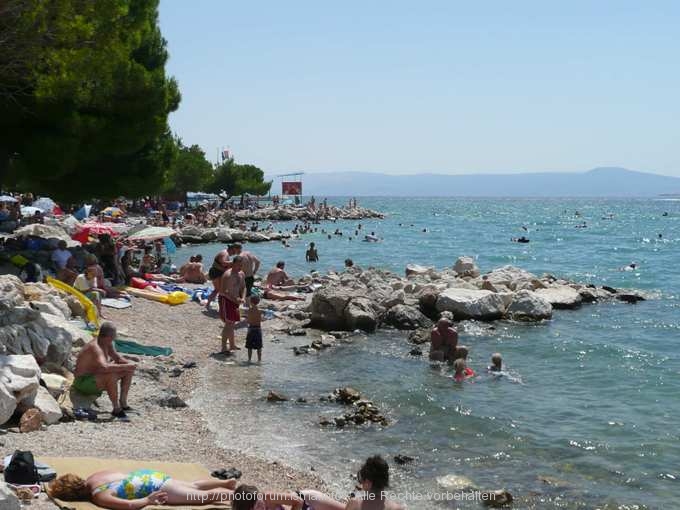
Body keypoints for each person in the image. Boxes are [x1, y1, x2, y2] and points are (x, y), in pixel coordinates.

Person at [47, 470, 239, 509]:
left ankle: (245, 497)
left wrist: (149, 500)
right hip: (151, 476)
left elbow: (129, 505)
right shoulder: (94, 477)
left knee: (205, 498)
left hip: (157, 487)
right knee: (193, 486)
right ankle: (225, 483)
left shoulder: (100, 496)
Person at [73, 322, 136, 419]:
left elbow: (117, 358)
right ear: (107, 337)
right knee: (111, 375)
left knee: (128, 370)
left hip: (96, 376)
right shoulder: (95, 347)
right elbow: (104, 367)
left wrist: (129, 364)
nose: (114, 339)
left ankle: (123, 403)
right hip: (83, 382)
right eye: (113, 337)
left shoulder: (107, 343)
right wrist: (127, 366)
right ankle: (116, 409)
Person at [219, 256, 245, 353]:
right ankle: (223, 347)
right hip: (226, 300)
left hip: (236, 301)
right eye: (239, 265)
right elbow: (222, 291)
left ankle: (232, 345)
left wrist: (242, 297)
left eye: (242, 265)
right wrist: (235, 299)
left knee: (232, 323)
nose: (240, 267)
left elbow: (243, 287)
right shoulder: (227, 275)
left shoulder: (241, 273)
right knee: (228, 323)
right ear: (233, 264)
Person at [246, 295, 263, 363]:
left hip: (251, 329)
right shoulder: (260, 311)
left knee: (249, 346)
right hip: (258, 329)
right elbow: (260, 319)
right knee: (259, 347)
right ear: (258, 302)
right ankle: (259, 360)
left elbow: (248, 321)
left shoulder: (249, 310)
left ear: (251, 302)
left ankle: (249, 359)